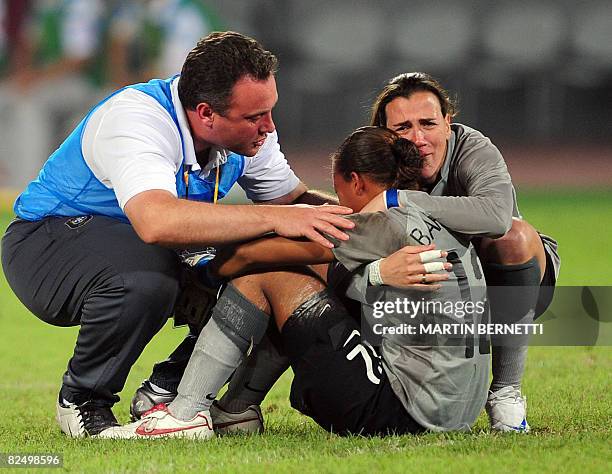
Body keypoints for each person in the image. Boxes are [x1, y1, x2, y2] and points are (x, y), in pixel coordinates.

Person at [0, 31, 361, 438]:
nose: (269, 126)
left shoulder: (247, 133)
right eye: (254, 117)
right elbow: (156, 222)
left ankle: (165, 391)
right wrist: (278, 218)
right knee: (145, 277)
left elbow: (296, 204)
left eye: (269, 111)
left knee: (276, 265)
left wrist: (375, 221)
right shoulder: (138, 118)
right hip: (48, 244)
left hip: (144, 248)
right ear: (206, 114)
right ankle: (82, 403)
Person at [99, 126, 489, 439]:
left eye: (337, 190)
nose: (336, 203)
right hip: (457, 409)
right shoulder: (437, 213)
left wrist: (204, 272)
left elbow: (253, 258)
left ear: (355, 181)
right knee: (315, 286)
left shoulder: (377, 220)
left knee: (272, 278)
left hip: (402, 411)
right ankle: (234, 413)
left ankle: (185, 414)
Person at [365, 73, 560, 432]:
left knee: (513, 238)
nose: (418, 138)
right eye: (404, 127)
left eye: (428, 123)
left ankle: (505, 391)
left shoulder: (473, 148)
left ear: (448, 123)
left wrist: (401, 198)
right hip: (426, 290)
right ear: (385, 133)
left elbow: (497, 217)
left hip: (506, 286)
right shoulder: (373, 160)